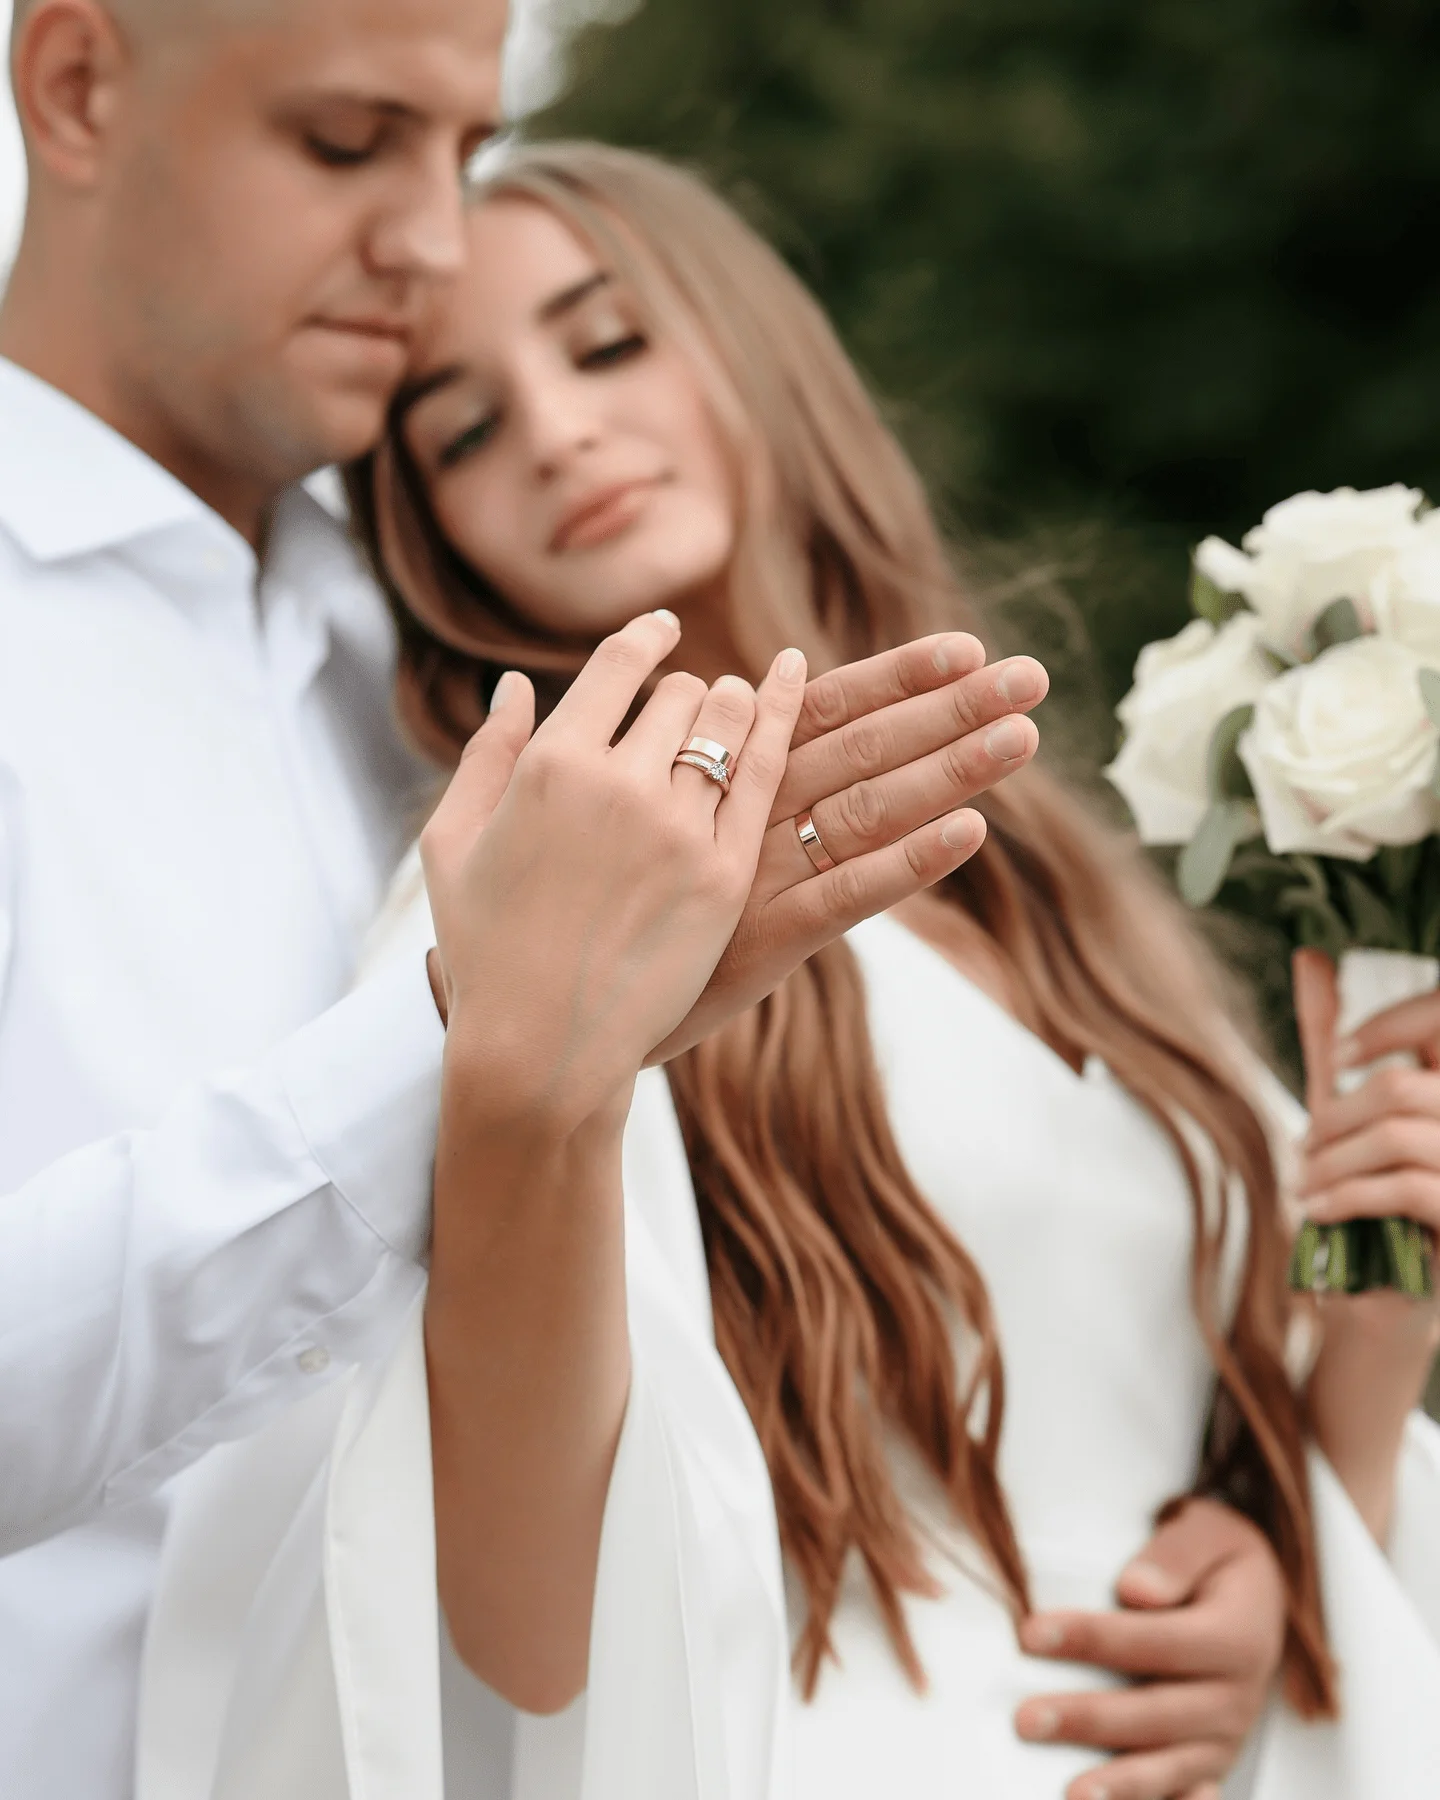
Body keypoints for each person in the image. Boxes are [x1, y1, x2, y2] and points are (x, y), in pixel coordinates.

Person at [135, 141, 1439, 1800]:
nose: (553, 429)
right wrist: (542, 1081)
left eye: (604, 342)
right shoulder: (523, 896)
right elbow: (533, 1637)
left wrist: (1282, 1561)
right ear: (433, 535)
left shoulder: (1059, 875)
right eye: (460, 429)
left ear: (749, 337)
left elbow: (1179, 1443)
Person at [0, 5, 1042, 1795]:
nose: (428, 239)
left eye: (462, 149)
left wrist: (1241, 1548)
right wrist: (487, 1043)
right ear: (80, 86)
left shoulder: (467, 642)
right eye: (346, 143)